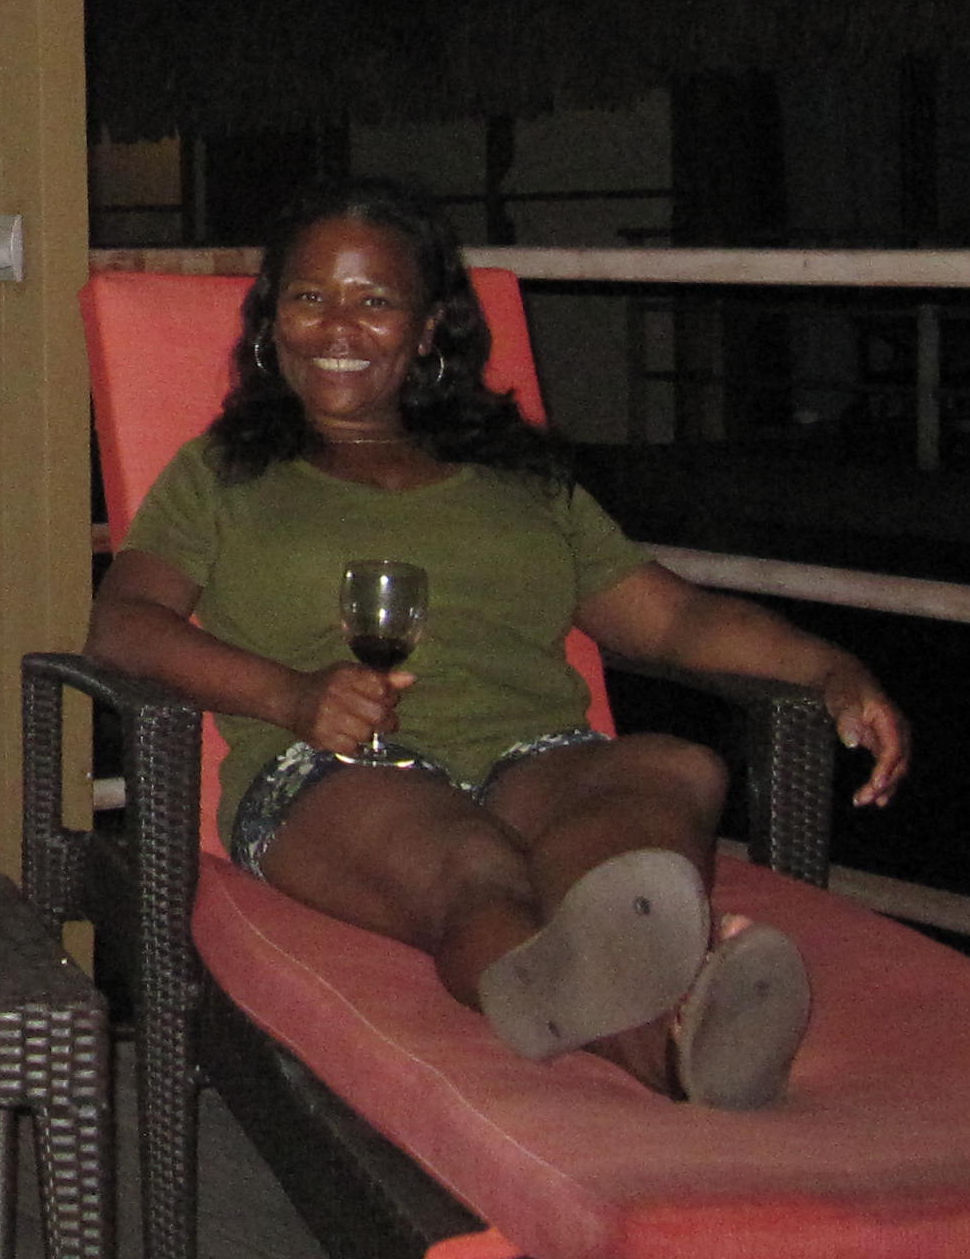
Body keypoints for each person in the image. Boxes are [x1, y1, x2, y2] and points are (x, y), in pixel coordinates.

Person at [82, 178, 910, 1108]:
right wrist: (292, 696)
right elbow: (123, 624)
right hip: (333, 772)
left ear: (428, 328)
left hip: (537, 760)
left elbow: (673, 618)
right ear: (272, 321)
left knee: (675, 767)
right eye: (309, 297)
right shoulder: (224, 472)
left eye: (374, 300)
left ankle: (642, 969)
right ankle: (663, 1045)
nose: (338, 327)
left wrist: (830, 669)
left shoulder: (520, 478)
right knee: (474, 867)